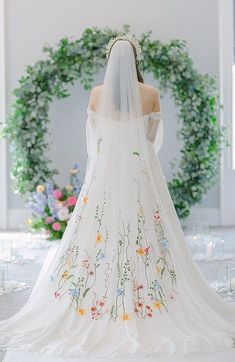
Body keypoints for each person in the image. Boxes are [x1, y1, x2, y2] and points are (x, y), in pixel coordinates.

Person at [0, 34, 235, 360]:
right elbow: (152, 138)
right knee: (147, 229)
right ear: (136, 60)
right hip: (141, 170)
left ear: (109, 60)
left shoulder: (97, 94)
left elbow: (95, 139)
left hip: (105, 171)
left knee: (99, 227)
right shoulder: (151, 93)